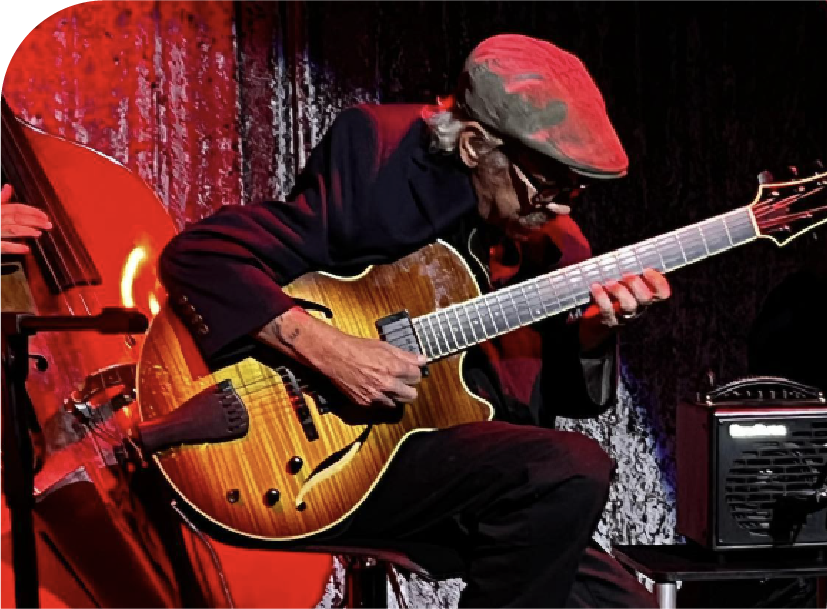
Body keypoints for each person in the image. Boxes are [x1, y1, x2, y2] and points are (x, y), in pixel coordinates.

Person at [7, 34, 671, 608]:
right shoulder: (383, 163)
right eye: (546, 182)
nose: (561, 204)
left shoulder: (555, 244)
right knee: (568, 468)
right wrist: (329, 350)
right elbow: (201, 257)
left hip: (475, 468)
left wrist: (594, 332)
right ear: (473, 145)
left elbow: (548, 397)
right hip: (332, 459)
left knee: (593, 545)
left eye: (574, 186)